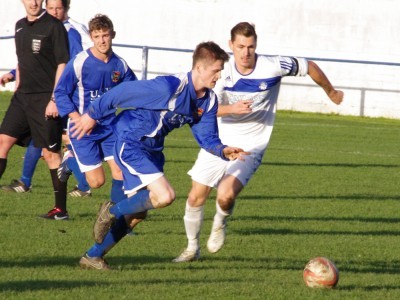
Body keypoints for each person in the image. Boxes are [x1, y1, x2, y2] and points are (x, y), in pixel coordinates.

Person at [173, 22, 344, 262]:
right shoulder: (221, 71)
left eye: (251, 46)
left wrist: (331, 92)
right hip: (218, 141)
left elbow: (310, 66)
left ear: (256, 45)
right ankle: (192, 249)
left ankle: (219, 224)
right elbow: (202, 109)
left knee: (225, 195)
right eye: (240, 46)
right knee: (195, 197)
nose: (246, 52)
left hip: (251, 144)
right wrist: (231, 109)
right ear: (231, 45)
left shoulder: (273, 66)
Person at [70, 41, 249, 270]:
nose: (218, 76)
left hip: (153, 150)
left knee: (138, 214)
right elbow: (121, 92)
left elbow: (208, 138)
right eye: (215, 70)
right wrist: (92, 115)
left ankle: (92, 256)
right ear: (199, 68)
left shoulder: (209, 100)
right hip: (131, 141)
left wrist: (223, 150)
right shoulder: (169, 87)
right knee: (165, 196)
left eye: (220, 71)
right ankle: (110, 211)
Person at [1, 0, 92, 197]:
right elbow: (36, 60)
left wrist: (58, 97)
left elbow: (71, 64)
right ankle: (25, 181)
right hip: (37, 96)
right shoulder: (31, 26)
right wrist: (14, 74)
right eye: (51, 8)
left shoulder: (69, 32)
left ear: (66, 9)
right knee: (41, 142)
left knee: (63, 143)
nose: (54, 11)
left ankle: (84, 185)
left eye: (58, 8)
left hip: (65, 97)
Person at [54, 14, 138, 220]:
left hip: (109, 128)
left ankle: (116, 219)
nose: (102, 40)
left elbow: (133, 90)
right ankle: (69, 161)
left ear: (113, 35)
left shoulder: (120, 65)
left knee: (119, 171)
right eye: (97, 35)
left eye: (105, 35)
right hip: (82, 129)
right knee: (96, 182)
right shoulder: (80, 62)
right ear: (91, 37)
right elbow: (60, 92)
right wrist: (76, 119)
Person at [0, 0, 69, 219]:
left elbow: (62, 64)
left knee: (50, 154)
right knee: (2, 142)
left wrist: (55, 98)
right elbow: (22, 61)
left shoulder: (54, 26)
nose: (34, 2)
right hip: (22, 98)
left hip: (45, 99)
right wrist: (17, 85)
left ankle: (60, 211)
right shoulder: (19, 26)